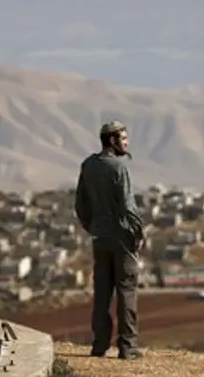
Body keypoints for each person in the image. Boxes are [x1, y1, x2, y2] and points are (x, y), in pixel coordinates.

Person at [74, 120, 145, 360]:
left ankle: (99, 345)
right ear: (113, 141)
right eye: (123, 139)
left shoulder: (88, 165)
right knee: (126, 290)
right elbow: (127, 205)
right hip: (122, 237)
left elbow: (80, 205)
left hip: (100, 237)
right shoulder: (118, 168)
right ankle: (128, 347)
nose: (127, 144)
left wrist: (93, 227)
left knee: (102, 292)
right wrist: (138, 232)